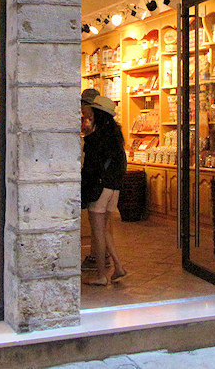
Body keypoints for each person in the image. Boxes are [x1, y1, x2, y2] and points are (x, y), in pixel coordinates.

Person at [80, 93, 128, 286]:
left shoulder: (95, 138)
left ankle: (100, 275)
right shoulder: (116, 135)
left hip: (100, 189)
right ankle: (118, 267)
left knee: (98, 232)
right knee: (105, 229)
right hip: (114, 187)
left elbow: (90, 168)